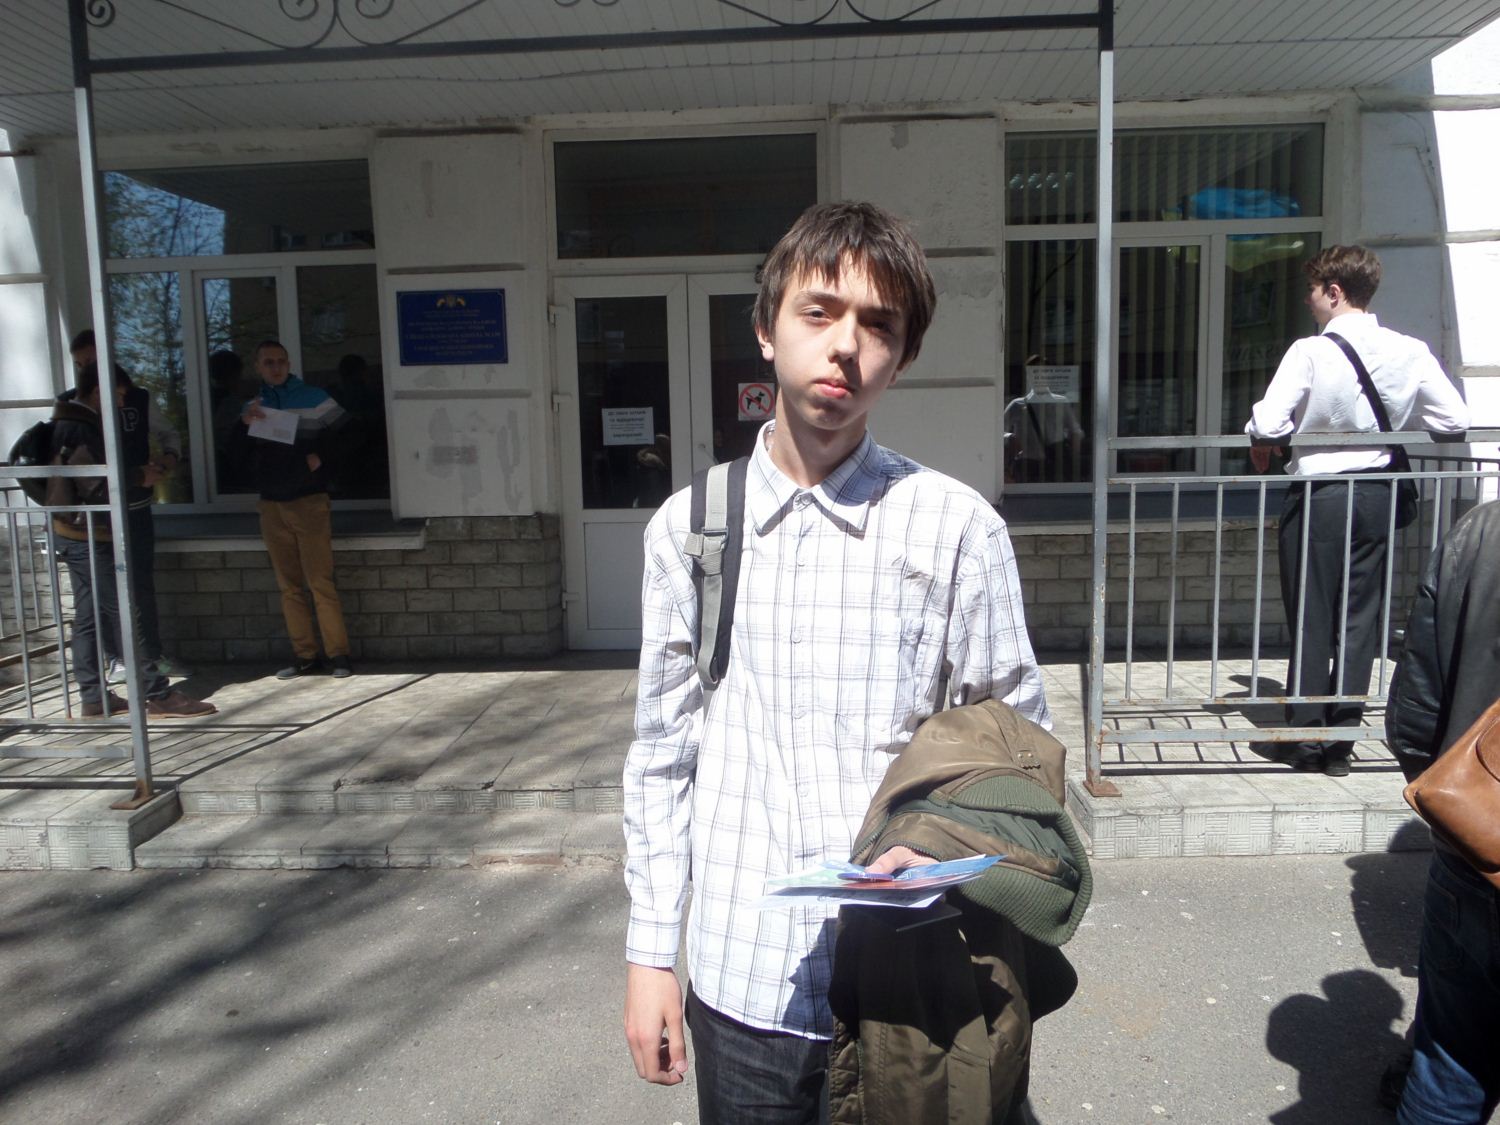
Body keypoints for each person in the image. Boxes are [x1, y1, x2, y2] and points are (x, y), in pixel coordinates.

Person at [622, 201, 1051, 1121]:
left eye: (878, 325)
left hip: (910, 985)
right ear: (767, 327)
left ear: (904, 355)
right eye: (818, 312)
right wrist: (651, 952)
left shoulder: (956, 531)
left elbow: (1017, 747)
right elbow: (662, 756)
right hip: (744, 983)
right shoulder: (690, 530)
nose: (845, 345)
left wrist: (938, 844)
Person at [1244, 245, 1468, 776]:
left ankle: (1304, 737)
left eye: (1312, 290)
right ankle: (1341, 744)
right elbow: (1453, 420)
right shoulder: (1409, 349)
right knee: (1361, 616)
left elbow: (1270, 424)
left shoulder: (1310, 351)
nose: (1308, 300)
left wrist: (1265, 435)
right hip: (1377, 492)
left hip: (1320, 493)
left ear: (1334, 292)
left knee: (1311, 613)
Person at [1386, 500, 1500, 1124]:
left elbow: (1414, 716)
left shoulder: (1482, 530)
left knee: (1451, 1061)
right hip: (1470, 849)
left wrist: (1462, 813)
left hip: (1475, 846)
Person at [47, 363, 216, 719]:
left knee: (90, 616)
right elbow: (94, 483)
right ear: (99, 392)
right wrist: (140, 475)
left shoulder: (72, 421)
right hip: (88, 535)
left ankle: (94, 697)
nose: (123, 404)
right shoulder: (79, 425)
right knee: (123, 611)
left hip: (76, 533)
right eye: (119, 396)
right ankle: (157, 694)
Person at [69, 329, 190, 682]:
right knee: (101, 593)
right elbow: (83, 472)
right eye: (80, 365)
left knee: (140, 584)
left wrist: (167, 461)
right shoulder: (72, 410)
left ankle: (153, 657)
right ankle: (116, 660)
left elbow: (168, 434)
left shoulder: (136, 397)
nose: (86, 370)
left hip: (135, 508)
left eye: (91, 362)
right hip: (96, 515)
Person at [231, 340, 354, 679]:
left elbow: (352, 435)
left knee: (319, 581)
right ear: (258, 367)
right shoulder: (253, 406)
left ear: (289, 364)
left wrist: (321, 459)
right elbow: (236, 457)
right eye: (269, 362)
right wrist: (243, 424)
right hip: (271, 504)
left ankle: (339, 655)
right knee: (289, 586)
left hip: (309, 501)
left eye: (281, 361)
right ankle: (305, 656)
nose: (276, 367)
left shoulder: (314, 398)